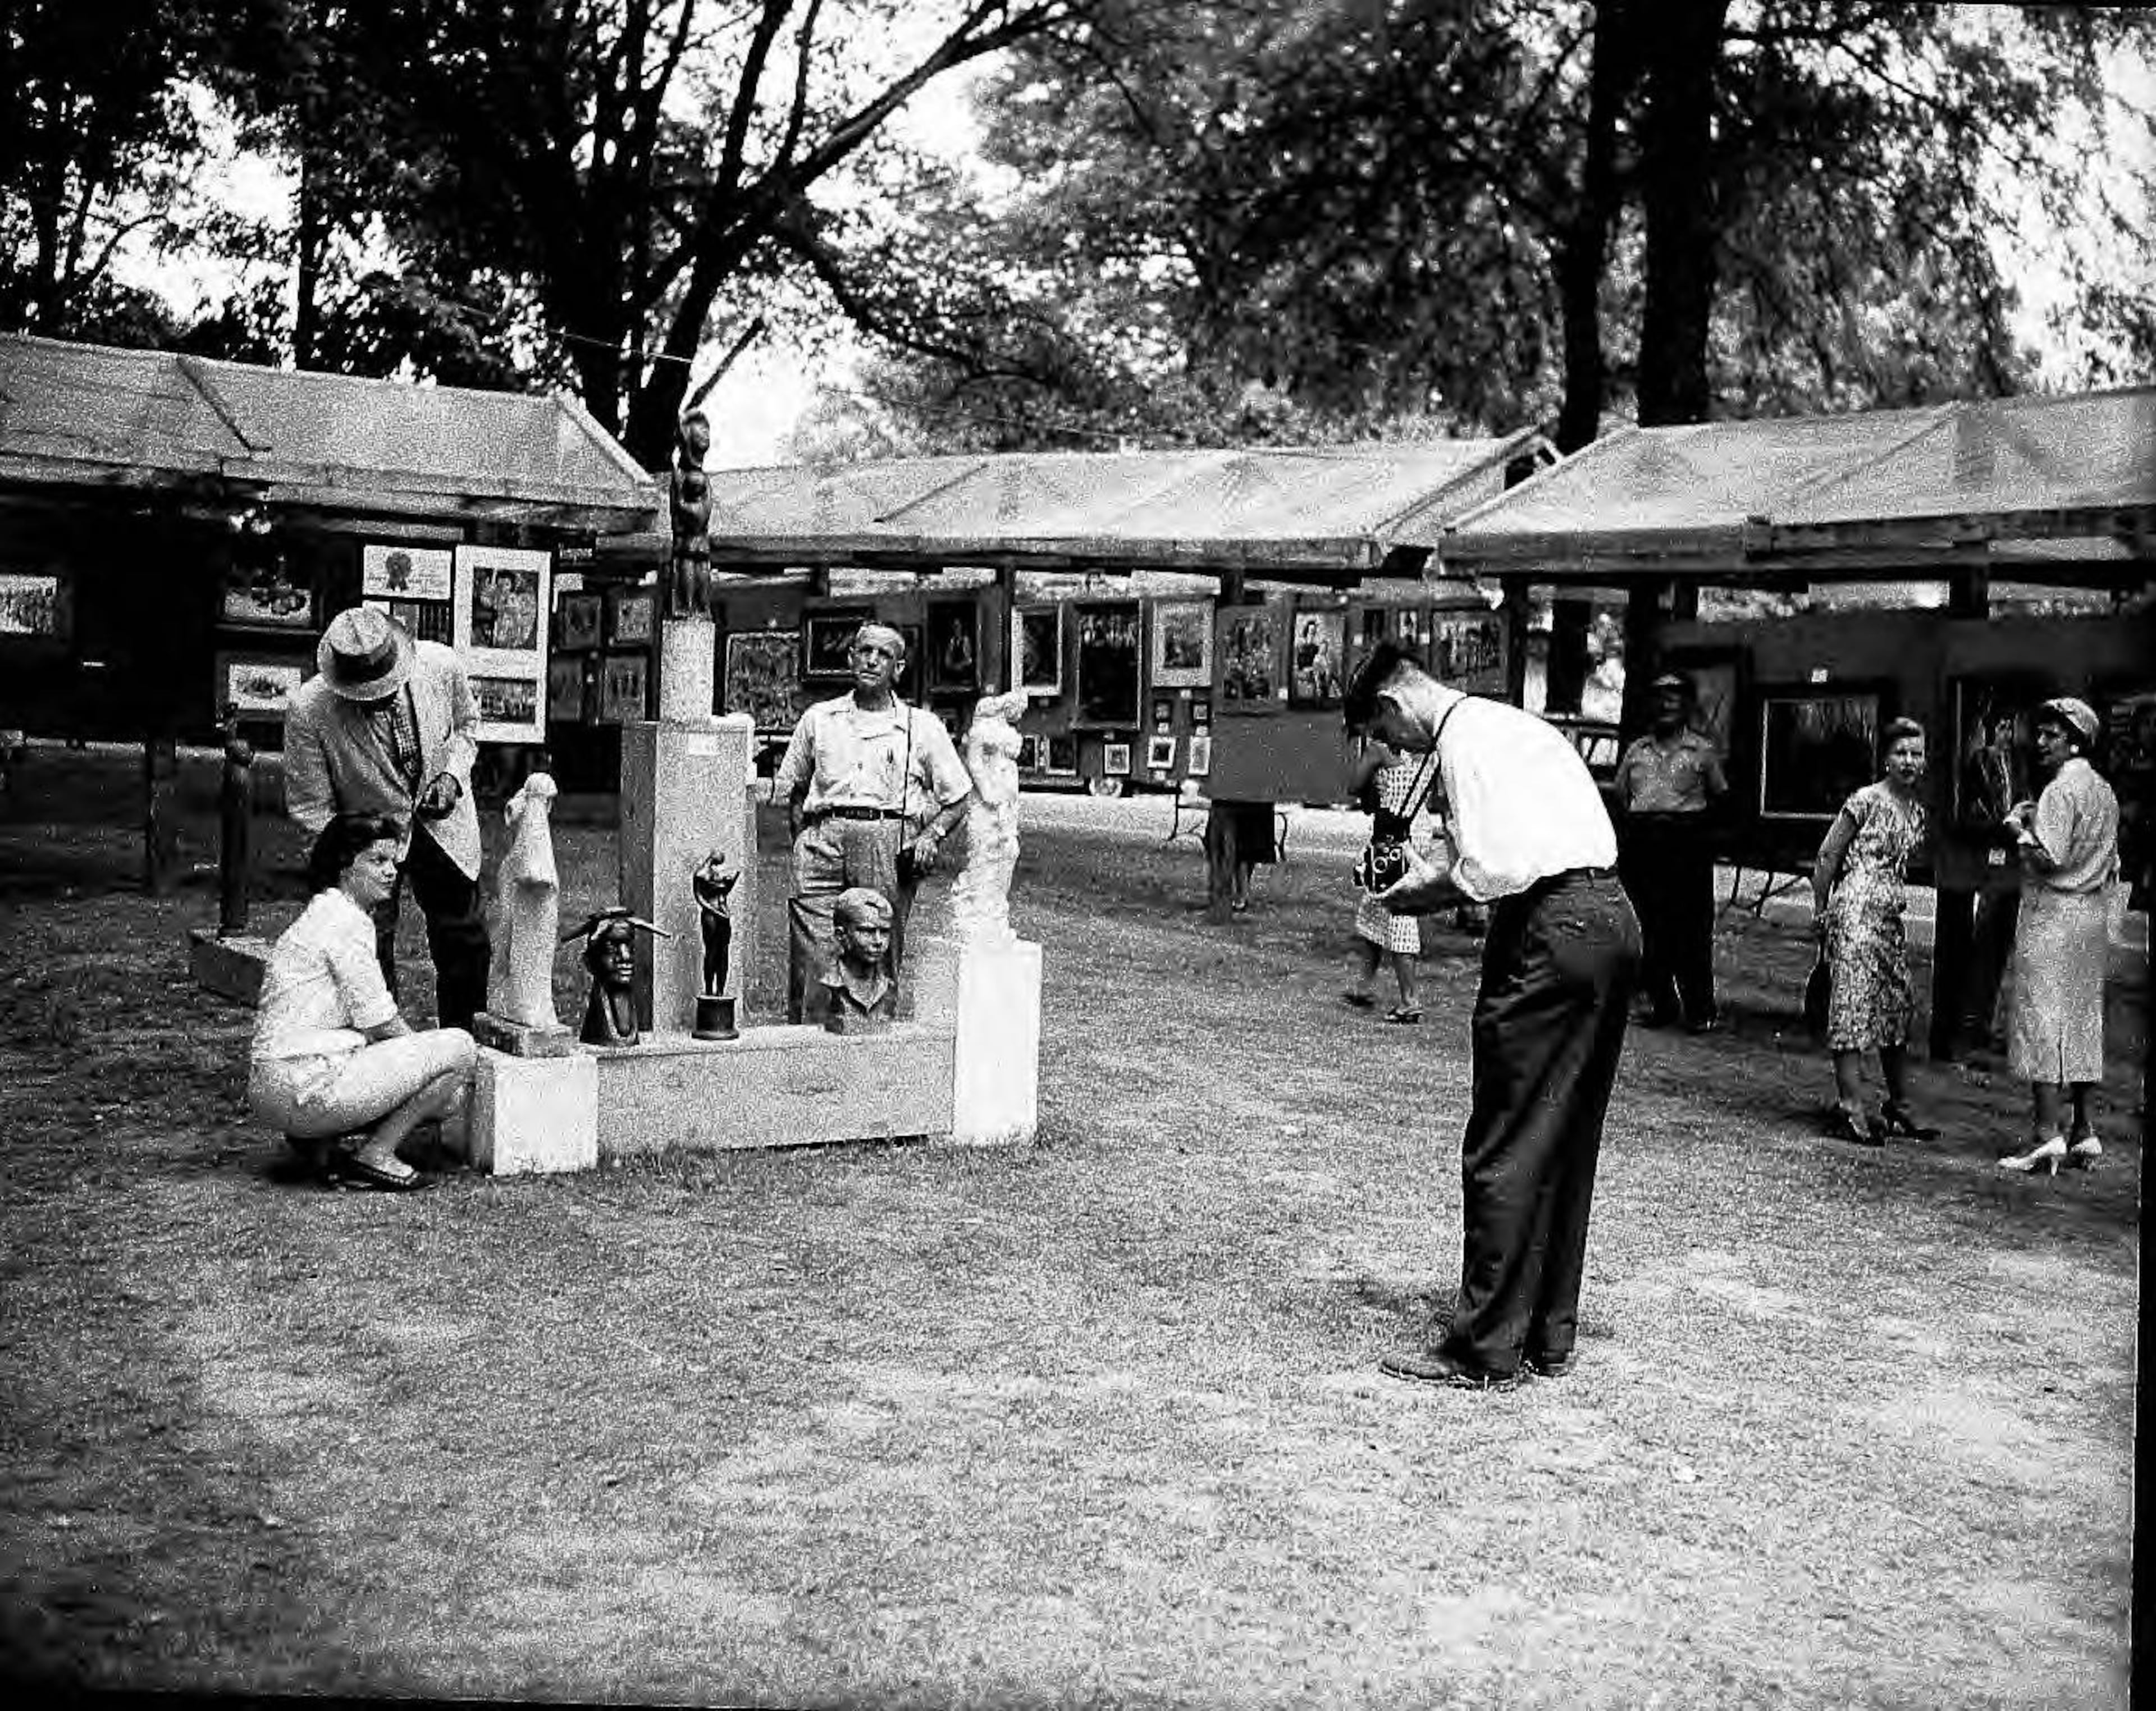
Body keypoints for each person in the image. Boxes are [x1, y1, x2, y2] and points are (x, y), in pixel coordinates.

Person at [1347, 642, 1640, 1391]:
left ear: (1393, 705)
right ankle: (1547, 1333)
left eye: (1386, 737)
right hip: (1608, 916)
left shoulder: (1463, 744)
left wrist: (1415, 893)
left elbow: (1488, 871)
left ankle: (1487, 1347)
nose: (1394, 751)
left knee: (1507, 1136)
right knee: (1564, 1132)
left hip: (1550, 926)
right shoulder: (1512, 726)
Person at [284, 606, 490, 1032]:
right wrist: (345, 866)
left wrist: (452, 777)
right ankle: (381, 1056)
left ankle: (466, 1046)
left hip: (444, 831)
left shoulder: (441, 665)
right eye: (365, 693)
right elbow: (311, 809)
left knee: (466, 943)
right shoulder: (308, 710)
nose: (378, 698)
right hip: (367, 840)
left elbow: (468, 727)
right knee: (368, 950)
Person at [249, 815, 478, 1191]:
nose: (391, 872)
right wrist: (431, 1066)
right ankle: (377, 1154)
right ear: (344, 868)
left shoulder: (321, 913)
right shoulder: (347, 922)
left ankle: (317, 1145)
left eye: (392, 861)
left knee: (430, 1077)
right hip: (304, 1088)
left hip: (269, 1087)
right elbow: (380, 1020)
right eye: (377, 861)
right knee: (459, 1049)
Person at [775, 621, 973, 1023]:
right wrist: (803, 843)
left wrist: (931, 836)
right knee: (813, 957)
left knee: (875, 950)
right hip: (822, 841)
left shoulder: (923, 727)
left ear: (898, 668)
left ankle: (871, 1048)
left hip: (887, 843)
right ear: (851, 658)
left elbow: (958, 798)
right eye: (864, 651)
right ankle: (809, 1048)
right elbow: (794, 787)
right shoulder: (820, 718)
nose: (871, 660)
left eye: (884, 655)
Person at [1999, 697, 2121, 1174]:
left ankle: (2045, 1134)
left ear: (2075, 740)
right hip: (2091, 918)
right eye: (2042, 733)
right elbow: (2112, 862)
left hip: (2052, 918)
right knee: (2082, 1022)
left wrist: (2018, 829)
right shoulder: (2105, 792)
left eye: (2052, 735)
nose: (2041, 742)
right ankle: (2084, 1130)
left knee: (2042, 1022)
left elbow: (2049, 856)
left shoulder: (2059, 792)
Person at [1810, 717, 1936, 1146]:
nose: (1908, 761)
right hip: (1854, 913)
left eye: (1916, 753)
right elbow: (1827, 856)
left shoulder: (1916, 812)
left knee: (1896, 1004)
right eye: (1900, 752)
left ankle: (1900, 1102)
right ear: (1885, 758)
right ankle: (1851, 1104)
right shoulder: (1865, 800)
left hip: (1889, 919)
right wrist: (1821, 912)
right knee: (1852, 1002)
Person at [1613, 671, 1728, 1030]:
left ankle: (1700, 1009)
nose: (1666, 706)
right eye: (1660, 700)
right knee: (1648, 925)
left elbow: (1720, 795)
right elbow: (1620, 796)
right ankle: (1661, 1004)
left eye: (1674, 700)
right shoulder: (1637, 751)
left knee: (1691, 928)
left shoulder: (1702, 751)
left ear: (1686, 707)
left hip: (1685, 847)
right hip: (1644, 844)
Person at [1342, 734, 1435, 1023]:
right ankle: (1363, 986)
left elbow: (1354, 786)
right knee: (1374, 907)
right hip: (1418, 829)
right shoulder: (1429, 747)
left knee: (1398, 915)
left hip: (1393, 835)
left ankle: (1410, 1000)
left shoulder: (1379, 749)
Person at [821, 887, 899, 1034]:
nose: (878, 942)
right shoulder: (830, 986)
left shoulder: (888, 987)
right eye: (867, 932)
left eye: (884, 932)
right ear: (841, 935)